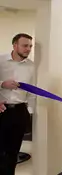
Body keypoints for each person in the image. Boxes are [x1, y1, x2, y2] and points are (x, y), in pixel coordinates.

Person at [0, 33, 36, 175]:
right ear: (15, 45)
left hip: (20, 112)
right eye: (25, 46)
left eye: (30, 46)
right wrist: (3, 84)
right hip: (1, 110)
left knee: (13, 152)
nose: (28, 49)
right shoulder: (1, 61)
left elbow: (32, 91)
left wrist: (30, 112)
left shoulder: (31, 66)